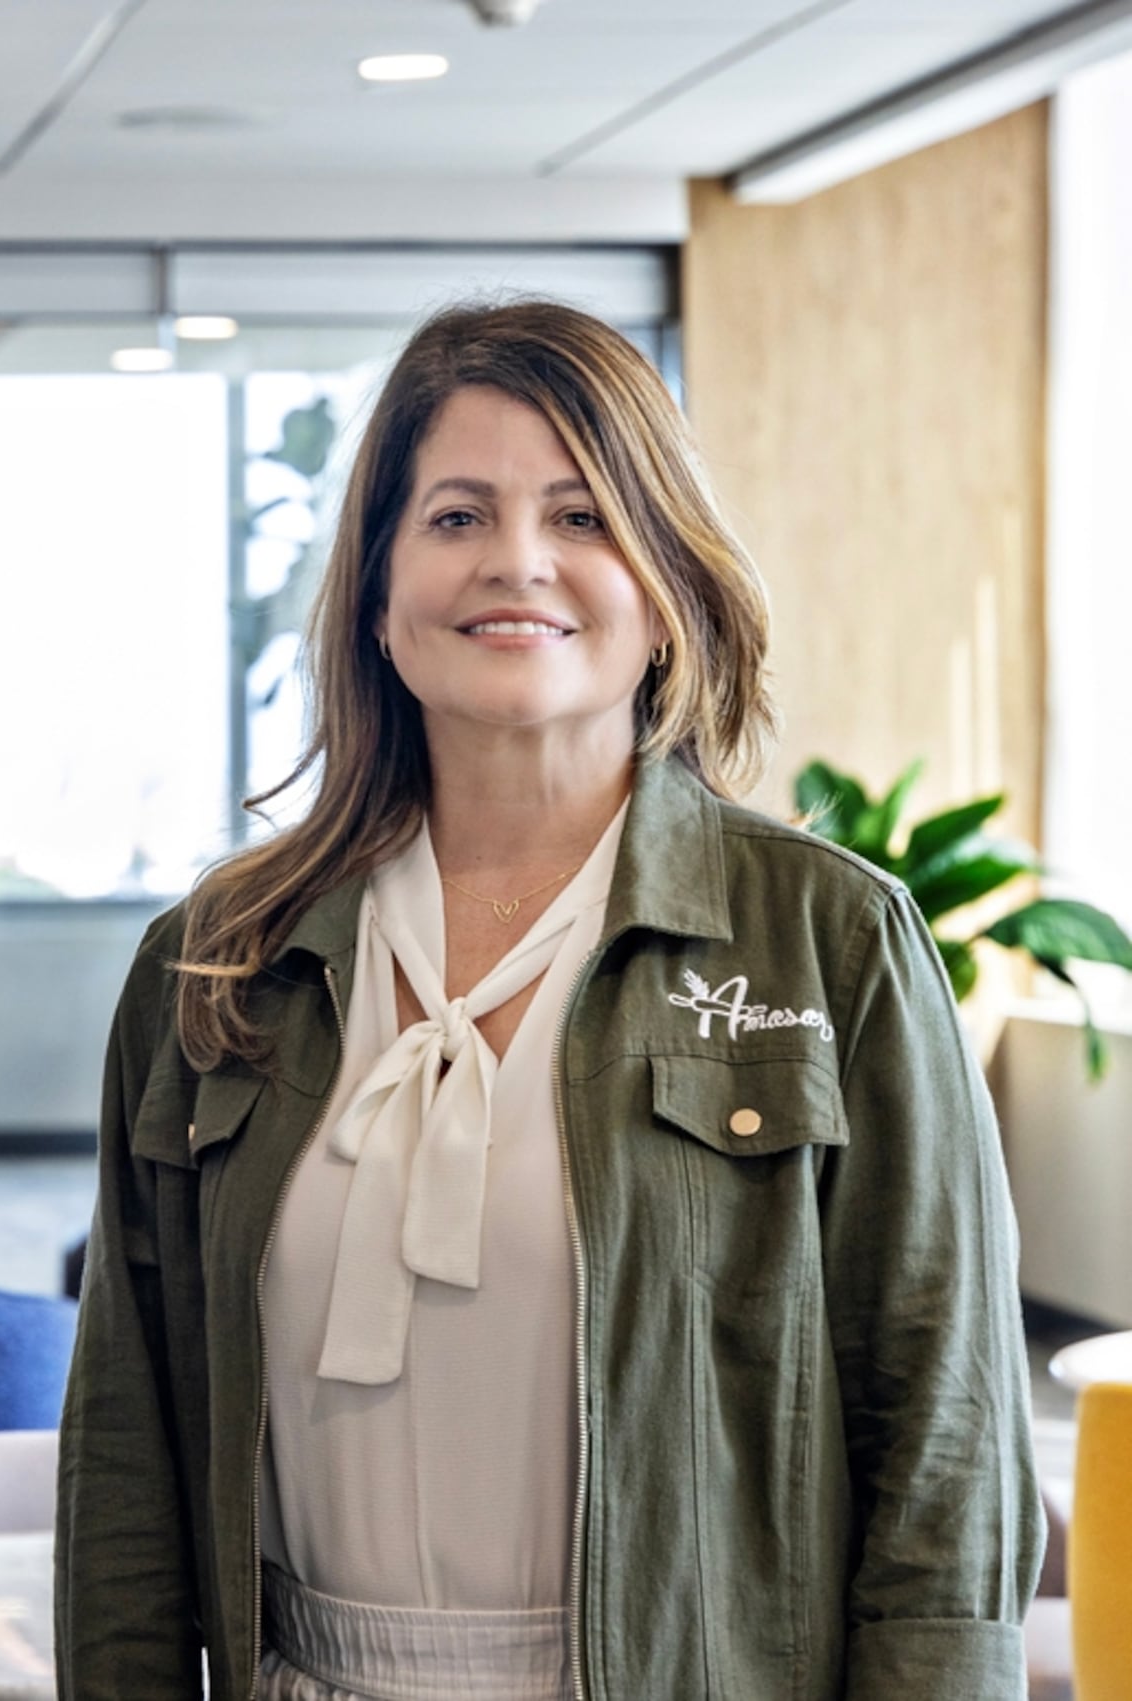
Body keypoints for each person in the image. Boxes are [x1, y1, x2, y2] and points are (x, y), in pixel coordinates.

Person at [56, 299, 1041, 1701]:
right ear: (379, 591)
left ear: (668, 585)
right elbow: (126, 1454)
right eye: (456, 516)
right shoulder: (216, 960)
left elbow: (942, 1448)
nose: (517, 560)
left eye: (582, 515)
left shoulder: (829, 943)